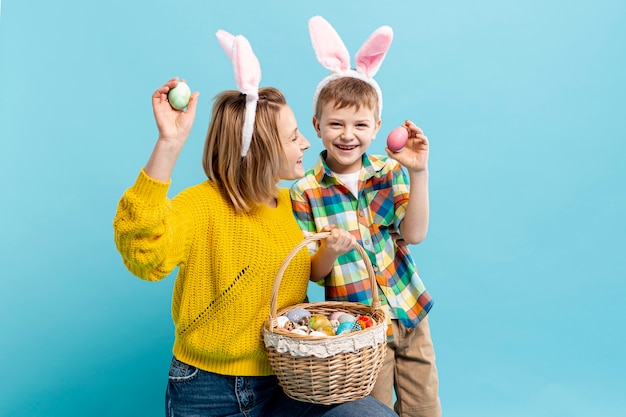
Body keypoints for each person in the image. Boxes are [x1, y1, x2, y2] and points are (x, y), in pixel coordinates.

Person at [112, 29, 398, 417]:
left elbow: (308, 277)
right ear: (261, 150)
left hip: (289, 383)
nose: (305, 145)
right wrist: (169, 144)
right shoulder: (202, 205)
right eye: (294, 137)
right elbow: (143, 254)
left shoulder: (291, 204)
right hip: (207, 391)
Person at [290, 17, 441, 417]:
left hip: (408, 309)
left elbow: (416, 233)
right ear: (317, 126)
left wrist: (418, 172)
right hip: (359, 327)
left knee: (425, 407)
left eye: (359, 124)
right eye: (336, 123)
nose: (347, 134)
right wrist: (332, 252)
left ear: (376, 127)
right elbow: (314, 273)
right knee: (372, 411)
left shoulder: (389, 173)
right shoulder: (306, 190)